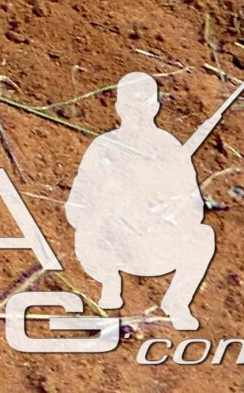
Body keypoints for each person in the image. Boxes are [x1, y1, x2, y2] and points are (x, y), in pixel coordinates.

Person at [67, 72, 217, 328]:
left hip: (153, 243)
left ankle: (177, 302)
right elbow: (76, 205)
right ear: (119, 107)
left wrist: (166, 211)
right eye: (130, 106)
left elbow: (193, 207)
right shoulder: (104, 146)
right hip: (110, 244)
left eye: (144, 106)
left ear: (155, 107)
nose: (137, 113)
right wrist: (110, 207)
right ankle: (109, 283)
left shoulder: (169, 148)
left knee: (203, 236)